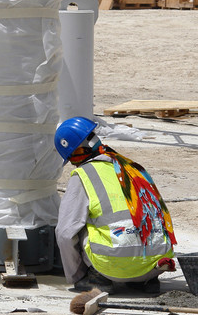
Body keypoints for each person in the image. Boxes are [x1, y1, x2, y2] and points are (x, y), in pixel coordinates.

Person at [54, 116, 176, 294]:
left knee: (76, 224)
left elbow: (65, 233)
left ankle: (97, 277)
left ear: (75, 153)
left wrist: (78, 277)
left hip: (112, 266)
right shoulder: (134, 168)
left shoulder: (84, 175)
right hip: (155, 264)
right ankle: (145, 281)